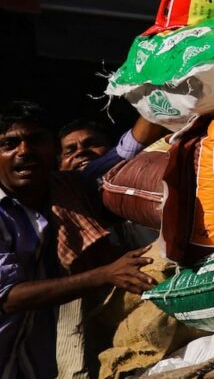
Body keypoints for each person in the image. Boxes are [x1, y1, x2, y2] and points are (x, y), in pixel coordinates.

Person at [0, 103, 160, 378]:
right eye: (9, 144)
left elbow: (129, 148)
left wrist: (164, 91)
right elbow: (9, 297)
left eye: (36, 140)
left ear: (52, 149)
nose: (24, 151)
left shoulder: (72, 189)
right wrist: (105, 274)